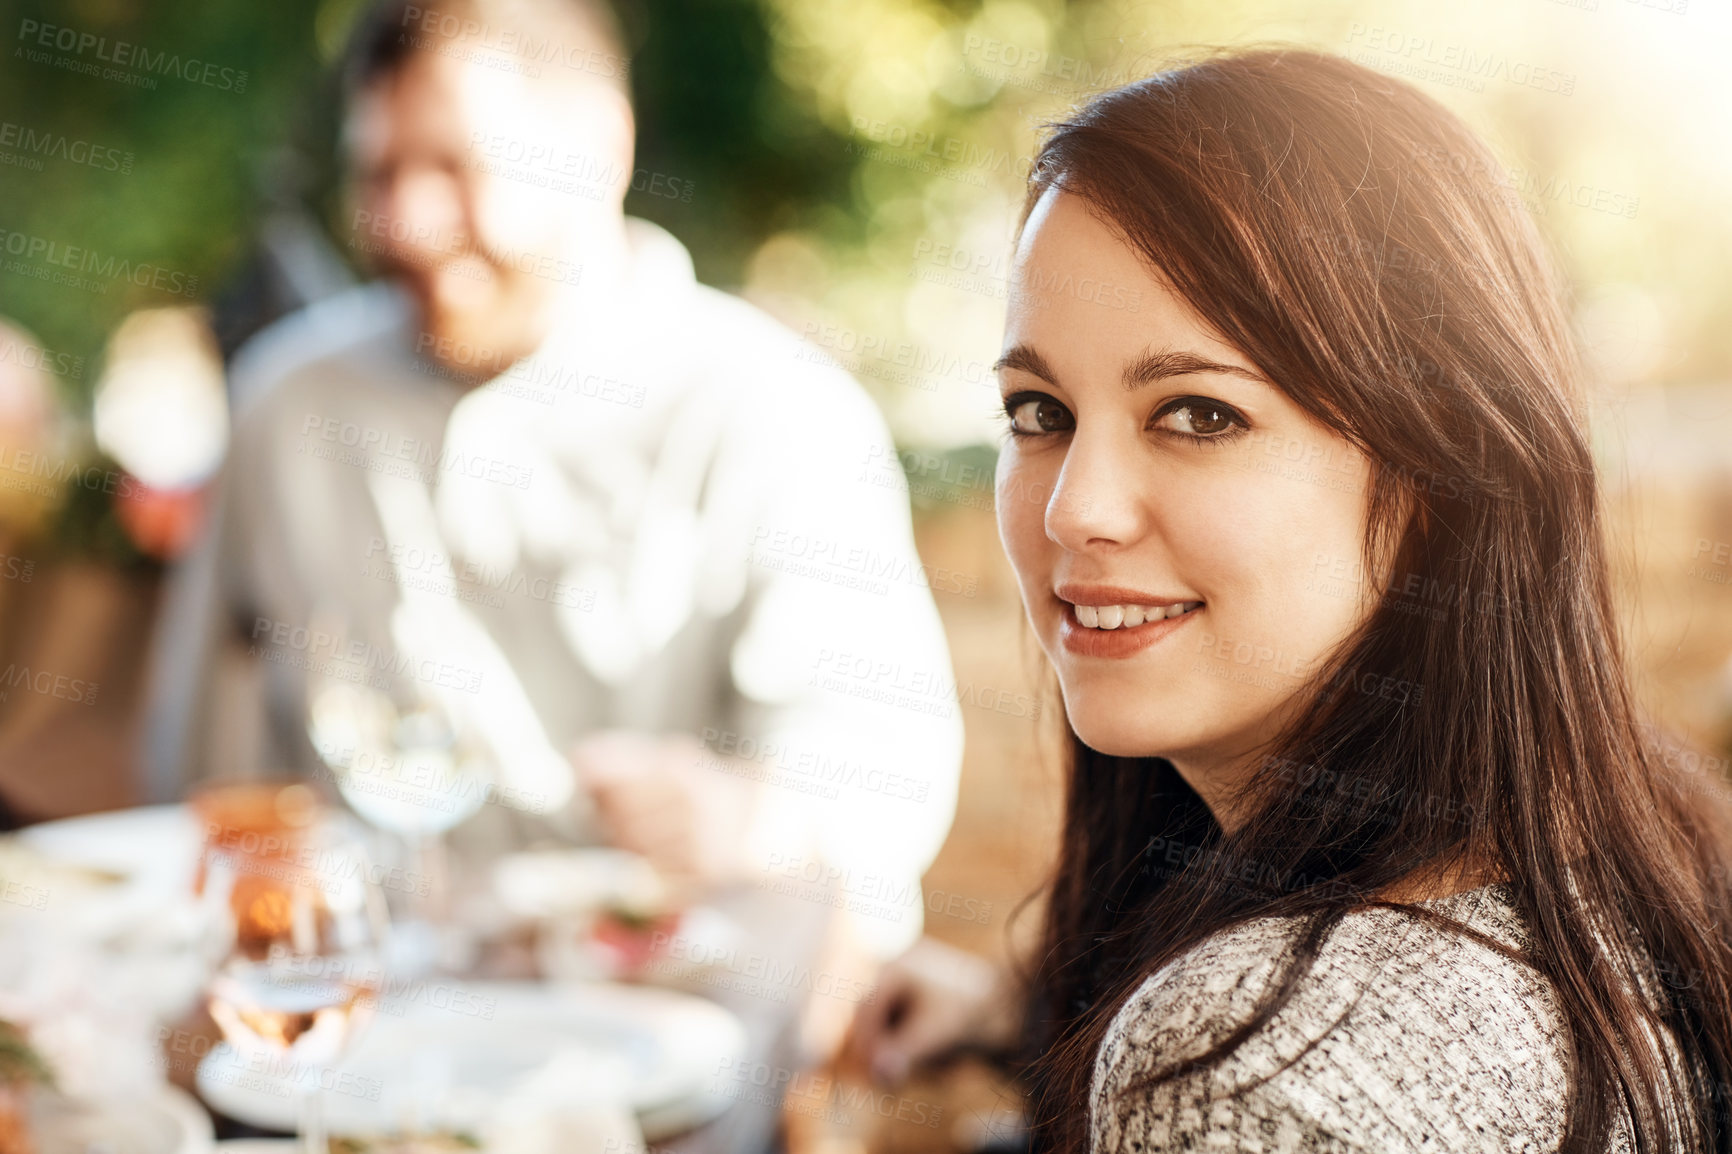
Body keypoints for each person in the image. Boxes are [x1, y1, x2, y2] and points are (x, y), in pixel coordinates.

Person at [849, 49, 1732, 1152]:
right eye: (1038, 410)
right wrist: (1012, 1010)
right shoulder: (1637, 826)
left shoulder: (1243, 1069)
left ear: (1434, 473)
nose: (1076, 510)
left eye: (1198, 414)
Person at [142, 0, 963, 1147]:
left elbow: (876, 779)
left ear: (603, 148)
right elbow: (209, 777)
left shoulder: (772, 408)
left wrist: (745, 812)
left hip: (664, 1067)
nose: (409, 220)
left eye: (455, 165)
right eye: (375, 170)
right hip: (353, 1064)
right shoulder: (289, 405)